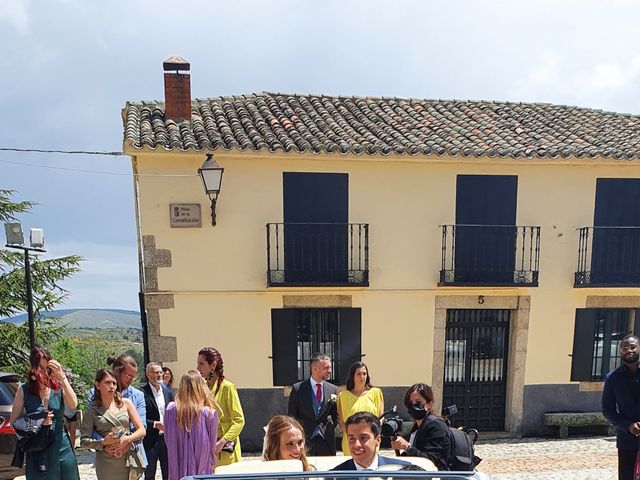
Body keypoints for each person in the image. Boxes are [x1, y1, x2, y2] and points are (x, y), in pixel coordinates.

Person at [9, 348, 80, 479]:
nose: (45, 373)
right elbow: (14, 423)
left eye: (48, 368)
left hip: (62, 448)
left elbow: (73, 404)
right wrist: (38, 422)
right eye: (40, 368)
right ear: (32, 368)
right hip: (38, 452)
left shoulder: (58, 387)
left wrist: (62, 377)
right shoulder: (24, 390)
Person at [80, 369, 146, 479]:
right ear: (97, 385)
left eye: (114, 383)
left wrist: (127, 440)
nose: (111, 386)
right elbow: (84, 441)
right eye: (107, 383)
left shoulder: (126, 403)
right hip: (107, 463)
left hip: (129, 457)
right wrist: (103, 443)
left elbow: (142, 430)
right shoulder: (92, 408)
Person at [88, 354, 147, 461]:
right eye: (129, 376)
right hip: (106, 456)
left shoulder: (137, 395)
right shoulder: (95, 394)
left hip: (133, 456)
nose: (131, 381)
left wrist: (128, 443)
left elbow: (142, 426)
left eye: (133, 377)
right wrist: (105, 444)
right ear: (117, 372)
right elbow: (90, 426)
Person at [164, 370, 219, 480]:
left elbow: (167, 438)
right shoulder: (209, 413)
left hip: (177, 460)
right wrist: (212, 460)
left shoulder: (170, 409)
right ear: (201, 387)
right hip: (201, 464)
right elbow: (212, 443)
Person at [197, 347, 245, 466]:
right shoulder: (203, 388)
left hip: (226, 452)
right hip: (208, 451)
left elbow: (239, 421)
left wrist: (223, 441)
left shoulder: (228, 387)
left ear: (213, 365)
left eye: (201, 364)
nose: (198, 368)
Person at [603, 335, 640, 480]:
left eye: (632, 347)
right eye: (624, 348)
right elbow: (608, 410)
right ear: (620, 352)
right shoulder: (612, 378)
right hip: (627, 440)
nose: (629, 350)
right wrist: (628, 426)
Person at [391, 383, 452, 470]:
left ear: (429, 404)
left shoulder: (436, 426)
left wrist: (408, 447)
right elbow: (414, 453)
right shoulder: (417, 427)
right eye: (410, 403)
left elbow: (431, 460)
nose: (413, 406)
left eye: (418, 402)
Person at [288, 353, 338, 456]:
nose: (330, 371)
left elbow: (335, 415)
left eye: (330, 367)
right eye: (326, 368)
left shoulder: (333, 389)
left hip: (326, 441)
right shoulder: (298, 389)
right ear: (315, 369)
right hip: (305, 440)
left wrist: (329, 428)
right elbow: (292, 416)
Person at [332, 412, 408, 471]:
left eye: (363, 438)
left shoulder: (400, 472)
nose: (356, 444)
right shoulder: (335, 476)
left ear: (378, 440)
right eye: (352, 439)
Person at [337, 361, 384, 455]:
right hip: (351, 442)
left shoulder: (376, 393)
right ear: (353, 376)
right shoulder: (343, 396)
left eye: (364, 374)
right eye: (359, 374)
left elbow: (380, 418)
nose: (362, 377)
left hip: (370, 441)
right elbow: (342, 423)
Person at [143, 362, 174, 480]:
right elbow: (139, 418)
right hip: (150, 440)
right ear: (148, 375)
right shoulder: (143, 393)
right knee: (150, 472)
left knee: (168, 471)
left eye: (160, 372)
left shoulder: (167, 391)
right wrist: (155, 424)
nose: (160, 375)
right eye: (156, 372)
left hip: (166, 439)